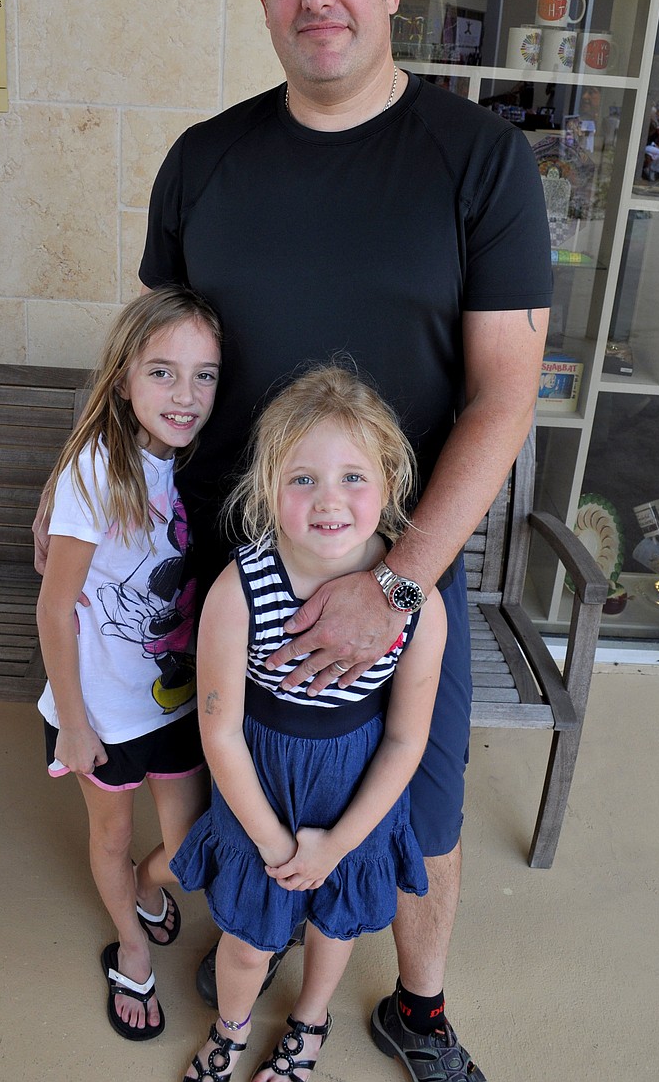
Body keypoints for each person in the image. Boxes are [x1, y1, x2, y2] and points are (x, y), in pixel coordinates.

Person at [34, 0, 551, 1081]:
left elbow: (505, 393)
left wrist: (400, 580)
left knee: (412, 807)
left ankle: (413, 1006)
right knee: (233, 771)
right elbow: (160, 366)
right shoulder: (204, 160)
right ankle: (251, 959)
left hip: (395, 570)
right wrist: (91, 520)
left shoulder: (479, 160)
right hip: (222, 566)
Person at [172, 366, 447, 1082]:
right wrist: (269, 839)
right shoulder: (240, 588)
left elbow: (406, 736)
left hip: (352, 794)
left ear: (389, 481)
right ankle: (230, 1030)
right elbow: (220, 730)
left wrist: (339, 842)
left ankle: (308, 1023)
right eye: (303, 480)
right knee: (243, 940)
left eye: (354, 477)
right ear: (268, 486)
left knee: (335, 924)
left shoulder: (417, 605)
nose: (330, 501)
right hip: (256, 790)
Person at [35, 286, 221, 1041]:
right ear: (123, 378)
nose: (186, 394)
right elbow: (54, 609)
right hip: (103, 709)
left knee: (190, 843)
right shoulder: (94, 470)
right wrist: (74, 726)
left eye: (204, 374)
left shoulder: (184, 460)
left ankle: (148, 887)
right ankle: (133, 945)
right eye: (163, 372)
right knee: (111, 837)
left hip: (170, 700)